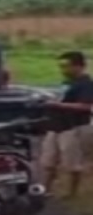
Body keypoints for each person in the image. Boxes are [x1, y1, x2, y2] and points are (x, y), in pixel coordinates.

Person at [40, 51, 93, 198]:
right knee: (48, 162)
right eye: (61, 66)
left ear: (79, 66)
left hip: (73, 127)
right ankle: (45, 189)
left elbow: (86, 106)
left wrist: (57, 105)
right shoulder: (66, 83)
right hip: (56, 126)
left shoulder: (86, 85)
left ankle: (71, 193)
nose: (63, 70)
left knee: (72, 163)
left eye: (66, 66)